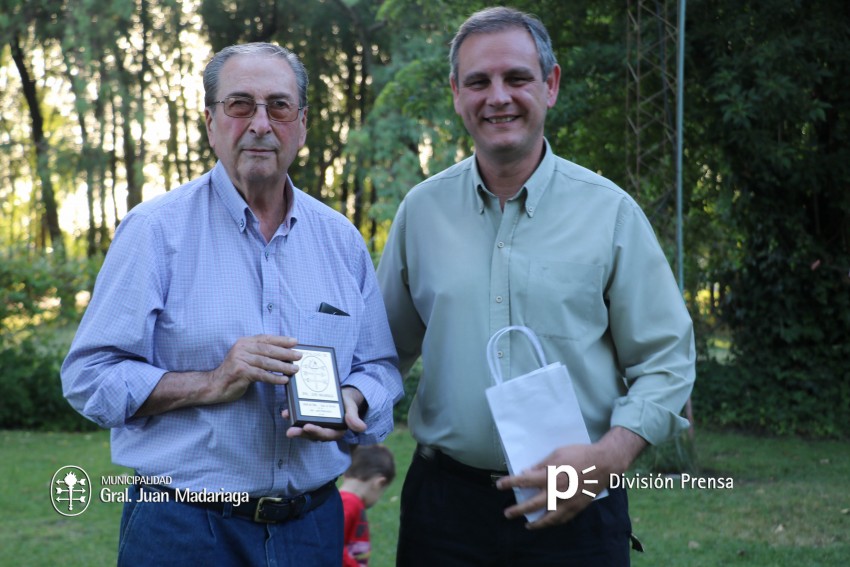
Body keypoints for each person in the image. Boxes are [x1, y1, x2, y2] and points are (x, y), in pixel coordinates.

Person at [61, 42, 403, 566]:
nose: (261, 124)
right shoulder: (155, 232)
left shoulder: (341, 240)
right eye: (240, 105)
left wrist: (352, 401)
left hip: (312, 527)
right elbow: (89, 376)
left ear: (303, 124)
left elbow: (379, 367)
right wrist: (212, 381)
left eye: (279, 106)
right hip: (184, 529)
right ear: (210, 122)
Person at [376, 6, 696, 566]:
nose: (497, 96)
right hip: (445, 513)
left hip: (580, 504)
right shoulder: (421, 213)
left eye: (516, 78)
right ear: (456, 93)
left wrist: (608, 457)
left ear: (550, 85)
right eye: (478, 81)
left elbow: (667, 362)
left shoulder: (611, 214)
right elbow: (381, 352)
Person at [338, 445, 396, 567]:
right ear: (379, 483)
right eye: (382, 491)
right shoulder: (349, 503)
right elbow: (334, 546)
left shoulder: (349, 501)